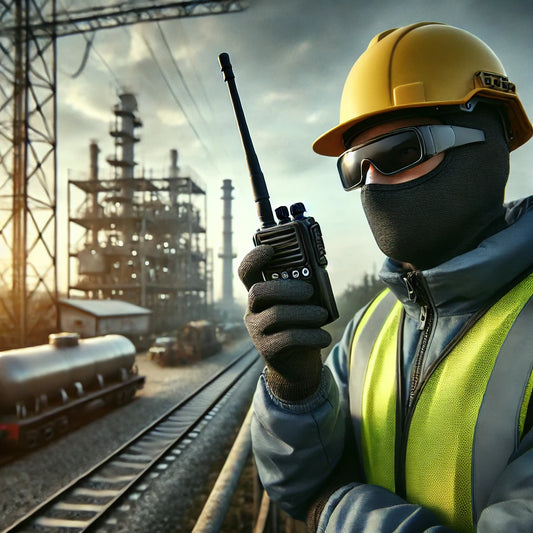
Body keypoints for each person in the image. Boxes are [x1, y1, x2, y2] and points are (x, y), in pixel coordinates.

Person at [238, 21, 533, 532]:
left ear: (488, 145)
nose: (372, 184)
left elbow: (319, 500)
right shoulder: (368, 329)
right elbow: (300, 484)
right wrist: (296, 389)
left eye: (399, 153)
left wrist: (333, 510)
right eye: (357, 166)